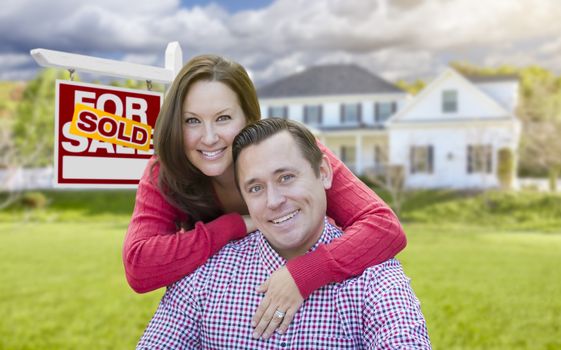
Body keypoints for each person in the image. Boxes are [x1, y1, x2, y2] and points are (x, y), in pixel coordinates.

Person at [123, 54, 407, 336]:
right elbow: (139, 266)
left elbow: (384, 226)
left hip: (321, 288)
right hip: (232, 293)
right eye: (192, 121)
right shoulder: (167, 171)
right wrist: (237, 225)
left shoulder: (291, 154)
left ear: (249, 118)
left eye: (223, 118)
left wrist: (305, 274)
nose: (208, 138)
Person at [136, 118, 431, 349]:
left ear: (324, 173)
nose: (274, 200)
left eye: (286, 177)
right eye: (256, 188)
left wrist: (307, 273)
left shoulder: (376, 279)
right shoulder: (206, 274)